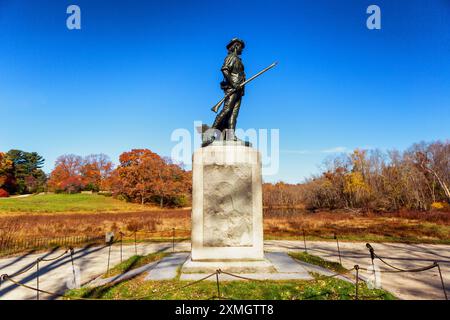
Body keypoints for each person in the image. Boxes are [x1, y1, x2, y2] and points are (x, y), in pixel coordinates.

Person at [203, 38, 246, 146]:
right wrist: (233, 83)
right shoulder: (231, 57)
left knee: (234, 114)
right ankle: (210, 134)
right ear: (236, 46)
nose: (242, 49)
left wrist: (240, 86)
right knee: (226, 110)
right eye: (241, 46)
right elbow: (225, 69)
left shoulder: (238, 60)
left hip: (239, 90)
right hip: (232, 88)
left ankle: (231, 136)